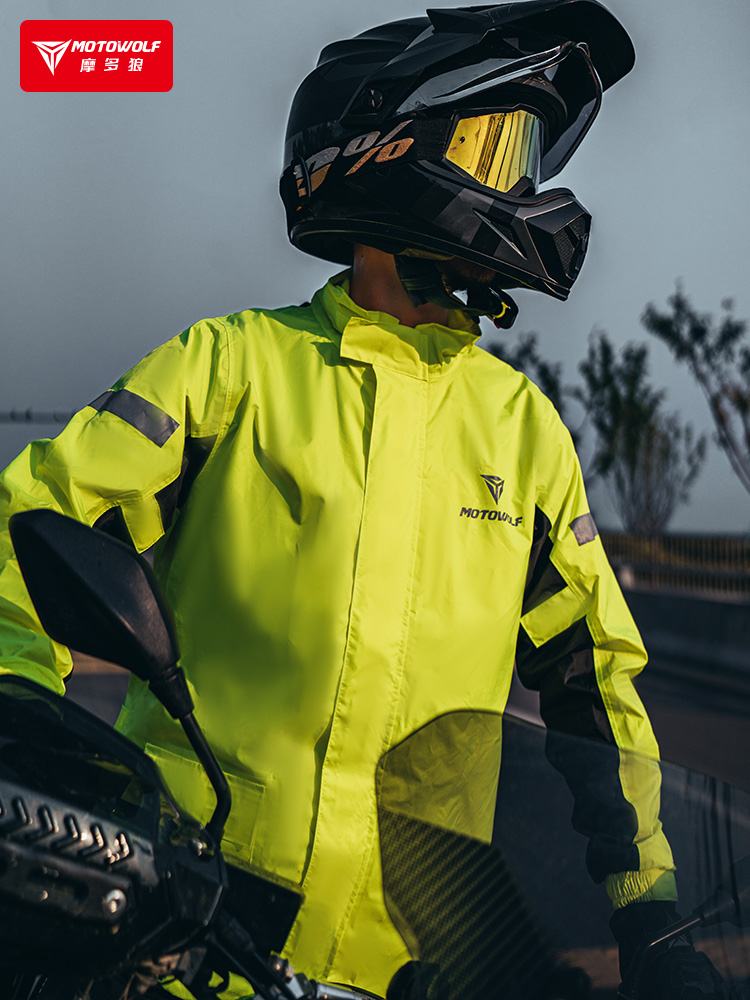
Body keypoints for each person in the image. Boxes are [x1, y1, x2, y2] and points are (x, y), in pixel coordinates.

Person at [0, 2, 730, 998]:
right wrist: (37, 751)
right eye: (499, 147)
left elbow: (596, 689)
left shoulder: (522, 433)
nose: (524, 185)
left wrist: (651, 920)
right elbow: (26, 528)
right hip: (175, 950)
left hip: (418, 972)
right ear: (391, 149)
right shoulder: (228, 370)